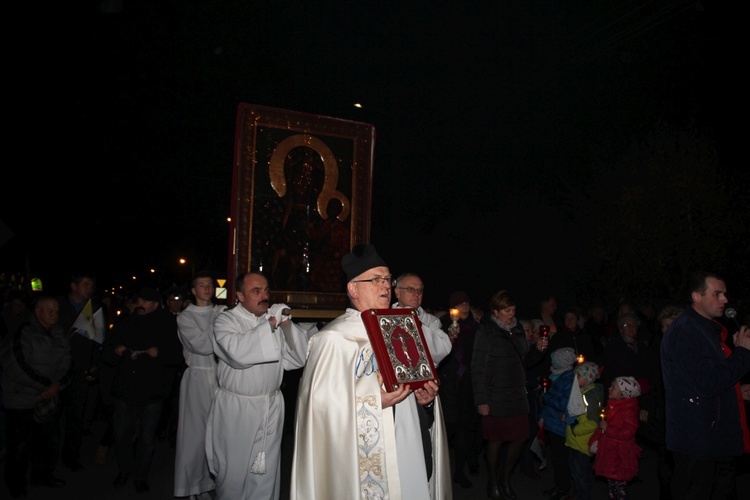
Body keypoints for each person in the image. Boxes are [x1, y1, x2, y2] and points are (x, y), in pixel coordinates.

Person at [290, 243, 451, 499]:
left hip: (407, 446)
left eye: (387, 279)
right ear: (353, 288)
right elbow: (319, 410)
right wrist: (375, 402)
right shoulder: (332, 339)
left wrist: (427, 401)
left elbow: (416, 389)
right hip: (358, 461)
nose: (386, 286)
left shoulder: (400, 329)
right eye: (376, 280)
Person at [206, 271, 309, 500]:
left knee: (266, 473)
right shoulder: (226, 320)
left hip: (270, 405)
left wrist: (286, 325)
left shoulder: (269, 320)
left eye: (266, 290)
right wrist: (271, 323)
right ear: (240, 296)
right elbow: (237, 353)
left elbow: (299, 358)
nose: (264, 296)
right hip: (237, 408)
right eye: (256, 291)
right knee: (233, 472)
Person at [661, 271, 750, 499]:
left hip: (716, 440)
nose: (725, 300)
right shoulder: (686, 332)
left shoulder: (708, 330)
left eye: (725, 294)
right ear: (697, 297)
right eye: (717, 294)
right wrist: (742, 354)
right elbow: (706, 383)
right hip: (697, 442)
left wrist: (737, 390)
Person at [100, 286, 183, 494]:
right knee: (122, 434)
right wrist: (115, 351)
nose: (139, 305)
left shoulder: (167, 324)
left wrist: (160, 353)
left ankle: (141, 476)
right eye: (138, 301)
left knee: (146, 439)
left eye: (144, 301)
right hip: (125, 389)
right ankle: (124, 470)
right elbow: (106, 351)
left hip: (152, 392)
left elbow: (176, 356)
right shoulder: (125, 321)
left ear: (154, 304)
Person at [473, 290, 548, 500]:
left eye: (513, 310)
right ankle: (494, 482)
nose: (511, 314)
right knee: (495, 441)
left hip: (517, 395)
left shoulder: (517, 330)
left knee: (520, 437)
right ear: (495, 312)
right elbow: (477, 367)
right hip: (494, 395)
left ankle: (506, 478)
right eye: (507, 310)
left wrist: (538, 351)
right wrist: (481, 400)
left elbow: (525, 361)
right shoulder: (486, 332)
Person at [0, 296, 71, 497]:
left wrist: (56, 386)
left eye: (57, 311)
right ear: (38, 312)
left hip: (48, 399)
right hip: (21, 400)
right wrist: (46, 386)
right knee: (20, 446)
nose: (55, 315)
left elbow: (67, 362)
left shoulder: (59, 334)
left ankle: (43, 476)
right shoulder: (23, 332)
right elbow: (17, 364)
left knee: (47, 442)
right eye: (51, 311)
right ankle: (16, 484)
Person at [392, 272, 453, 487]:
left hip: (421, 392)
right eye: (410, 289)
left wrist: (416, 325)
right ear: (397, 292)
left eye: (419, 290)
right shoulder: (382, 317)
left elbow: (442, 349)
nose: (416, 294)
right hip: (391, 393)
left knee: (420, 452)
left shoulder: (430, 321)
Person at [174, 271, 227, 500]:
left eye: (209, 284)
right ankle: (192, 486)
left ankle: (209, 483)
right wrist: (218, 320)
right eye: (201, 285)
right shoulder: (185, 317)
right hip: (197, 378)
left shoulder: (221, 311)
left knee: (217, 434)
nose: (206, 288)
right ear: (194, 291)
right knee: (195, 435)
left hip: (218, 376)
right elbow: (203, 345)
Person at [56, 272, 107, 473]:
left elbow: (100, 339)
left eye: (91, 285)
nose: (89, 289)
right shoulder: (58, 305)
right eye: (85, 284)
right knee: (50, 418)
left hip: (80, 369)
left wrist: (94, 364)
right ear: (73, 285)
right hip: (56, 369)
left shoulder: (95, 308)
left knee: (76, 417)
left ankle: (71, 456)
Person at [438, 289, 483, 487]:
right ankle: (440, 471)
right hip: (449, 384)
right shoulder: (444, 326)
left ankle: (460, 470)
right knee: (449, 428)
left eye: (466, 304)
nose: (464, 308)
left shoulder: (475, 327)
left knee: (467, 429)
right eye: (459, 305)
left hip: (469, 386)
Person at [591, 376, 642, 500]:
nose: (609, 388)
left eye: (613, 387)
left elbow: (628, 432)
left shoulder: (628, 411)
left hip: (619, 456)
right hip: (611, 452)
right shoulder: (614, 406)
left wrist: (607, 428)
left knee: (619, 488)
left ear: (623, 394)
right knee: (612, 486)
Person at [538, 347, 577, 500]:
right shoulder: (558, 377)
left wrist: (545, 397)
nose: (551, 365)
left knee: (561, 460)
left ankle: (564, 489)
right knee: (556, 459)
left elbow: (564, 403)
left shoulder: (567, 380)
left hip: (560, 428)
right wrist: (543, 415)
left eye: (554, 362)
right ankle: (559, 486)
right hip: (553, 423)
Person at [565, 361, 603, 500]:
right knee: (575, 473)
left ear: (587, 379)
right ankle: (575, 495)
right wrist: (567, 416)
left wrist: (575, 429)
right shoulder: (579, 392)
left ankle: (583, 496)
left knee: (581, 475)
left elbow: (593, 423)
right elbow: (575, 411)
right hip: (573, 442)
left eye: (579, 375)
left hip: (582, 443)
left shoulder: (590, 398)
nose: (576, 378)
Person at [157, 286, 187, 447]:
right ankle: (160, 428)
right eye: (173, 300)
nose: (176, 304)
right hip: (164, 367)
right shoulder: (161, 318)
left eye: (179, 300)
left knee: (178, 403)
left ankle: (174, 434)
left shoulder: (186, 317)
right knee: (164, 401)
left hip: (181, 366)